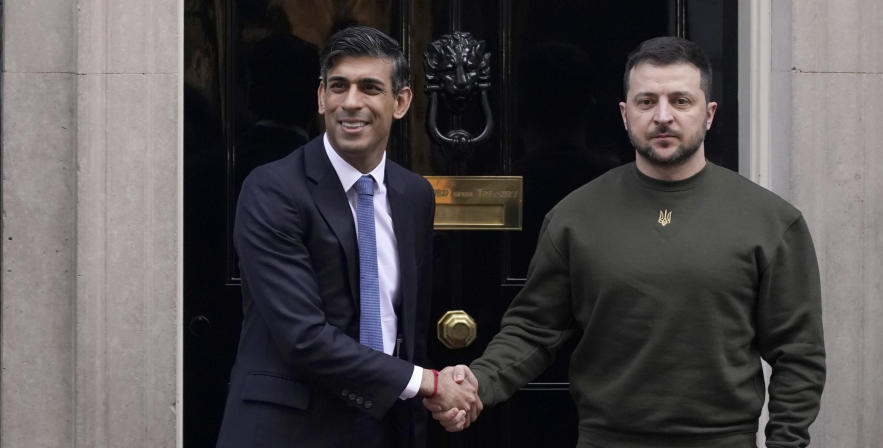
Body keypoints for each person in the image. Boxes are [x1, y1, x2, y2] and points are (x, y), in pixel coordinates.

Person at [427, 36, 826, 448]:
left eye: (681, 101)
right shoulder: (575, 216)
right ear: (624, 114)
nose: (663, 116)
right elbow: (534, 328)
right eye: (647, 101)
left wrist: (786, 442)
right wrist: (479, 383)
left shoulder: (771, 221)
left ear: (709, 114)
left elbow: (798, 353)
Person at [217, 26, 479, 448]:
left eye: (370, 87)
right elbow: (303, 337)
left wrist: (438, 391)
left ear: (401, 102)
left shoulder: (415, 194)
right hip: (290, 430)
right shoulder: (272, 189)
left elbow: (403, 328)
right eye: (339, 87)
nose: (351, 102)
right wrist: (428, 383)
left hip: (388, 425)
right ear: (321, 98)